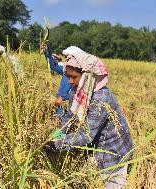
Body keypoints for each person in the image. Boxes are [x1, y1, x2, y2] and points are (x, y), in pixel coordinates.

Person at [45, 46, 133, 189]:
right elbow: (70, 118)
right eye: (67, 76)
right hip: (96, 149)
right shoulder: (79, 92)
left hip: (113, 153)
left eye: (73, 77)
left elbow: (86, 135)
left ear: (87, 76)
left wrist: (56, 145)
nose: (70, 81)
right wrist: (55, 135)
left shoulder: (101, 98)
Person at [42, 43, 72, 116]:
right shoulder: (66, 69)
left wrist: (63, 97)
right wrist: (47, 52)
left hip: (70, 104)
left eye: (68, 57)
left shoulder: (83, 73)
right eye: (66, 57)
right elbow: (53, 66)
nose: (66, 59)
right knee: (59, 119)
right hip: (60, 103)